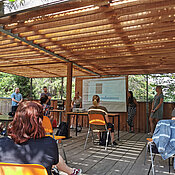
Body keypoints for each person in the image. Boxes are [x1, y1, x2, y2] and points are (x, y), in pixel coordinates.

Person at [0, 101, 82, 175]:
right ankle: (71, 171)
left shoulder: (1, 144)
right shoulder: (49, 143)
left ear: (16, 119)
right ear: (40, 121)